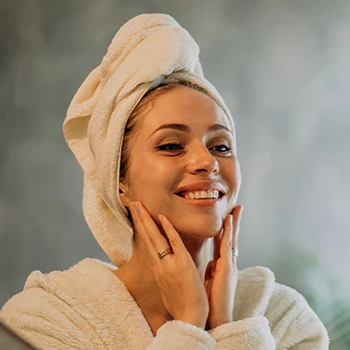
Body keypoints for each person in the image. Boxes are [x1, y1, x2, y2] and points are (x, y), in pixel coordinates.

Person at [0, 13, 329, 349]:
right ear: (119, 180)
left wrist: (225, 327)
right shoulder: (47, 320)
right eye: (171, 145)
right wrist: (188, 323)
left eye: (221, 146)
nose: (208, 161)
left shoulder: (284, 318)